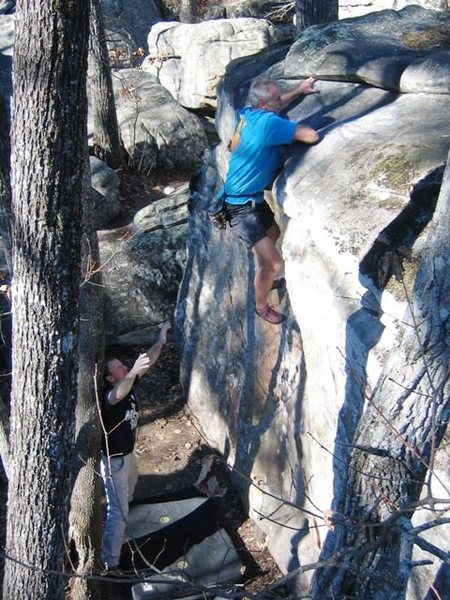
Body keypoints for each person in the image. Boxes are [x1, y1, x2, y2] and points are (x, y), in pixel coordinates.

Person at [222, 77, 320, 324]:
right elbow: (311, 136)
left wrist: (298, 90)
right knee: (273, 261)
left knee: (273, 232)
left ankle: (265, 274)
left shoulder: (246, 115)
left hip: (249, 198)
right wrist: (290, 131)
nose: (281, 100)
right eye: (277, 98)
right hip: (240, 207)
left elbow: (274, 105)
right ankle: (261, 306)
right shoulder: (268, 124)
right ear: (265, 105)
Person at [100, 321, 171, 572]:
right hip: (114, 462)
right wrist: (130, 374)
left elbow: (148, 360)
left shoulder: (128, 381)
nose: (124, 367)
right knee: (117, 513)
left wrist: (160, 339)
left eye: (124, 365)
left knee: (130, 492)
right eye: (119, 367)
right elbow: (117, 393)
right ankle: (109, 561)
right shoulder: (109, 396)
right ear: (110, 377)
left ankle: (123, 519)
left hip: (128, 458)